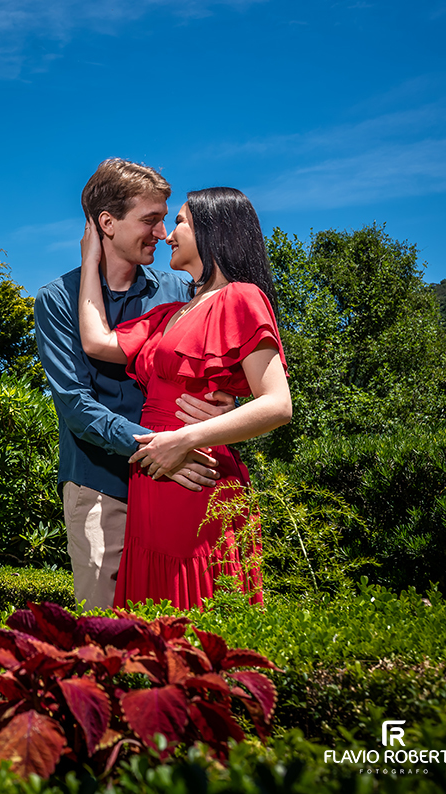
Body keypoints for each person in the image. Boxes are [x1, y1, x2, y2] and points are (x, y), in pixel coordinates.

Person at [77, 186, 292, 610]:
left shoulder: (242, 298)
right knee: (150, 625)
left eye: (179, 222)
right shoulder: (171, 312)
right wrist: (91, 260)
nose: (167, 234)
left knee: (197, 617)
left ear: (214, 231)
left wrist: (184, 440)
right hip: (154, 481)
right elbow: (96, 341)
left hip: (197, 478)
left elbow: (277, 405)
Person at [34, 160, 234, 611]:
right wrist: (163, 446)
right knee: (107, 627)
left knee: (188, 618)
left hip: (179, 474)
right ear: (107, 222)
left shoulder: (179, 290)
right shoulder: (57, 300)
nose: (163, 233)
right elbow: (77, 407)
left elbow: (208, 371)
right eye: (150, 219)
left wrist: (226, 406)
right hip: (101, 484)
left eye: (166, 219)